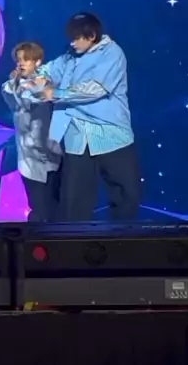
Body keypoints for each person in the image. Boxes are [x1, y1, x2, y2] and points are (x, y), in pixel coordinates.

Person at [35, 13, 140, 222]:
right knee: (73, 201)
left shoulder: (112, 53)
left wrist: (56, 93)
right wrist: (39, 77)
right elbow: (50, 69)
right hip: (77, 137)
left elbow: (96, 88)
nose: (72, 43)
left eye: (76, 38)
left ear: (92, 36)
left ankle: (122, 237)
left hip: (111, 133)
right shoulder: (70, 56)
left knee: (125, 194)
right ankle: (73, 240)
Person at [2, 41, 62, 222]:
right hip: (29, 159)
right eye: (19, 60)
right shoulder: (11, 86)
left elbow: (44, 96)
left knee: (56, 206)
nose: (21, 63)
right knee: (38, 208)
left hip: (53, 155)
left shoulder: (48, 83)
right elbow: (13, 98)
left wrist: (35, 86)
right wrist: (19, 84)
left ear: (38, 62)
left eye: (26, 59)